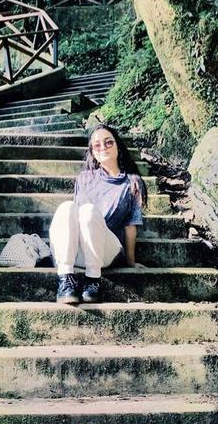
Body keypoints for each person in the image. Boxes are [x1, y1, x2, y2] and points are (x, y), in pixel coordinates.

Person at [48, 123, 147, 304]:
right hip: (79, 251)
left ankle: (93, 281)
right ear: (92, 151)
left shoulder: (132, 182)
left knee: (88, 211)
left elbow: (131, 224)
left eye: (108, 142)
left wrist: (131, 261)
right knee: (67, 207)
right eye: (97, 145)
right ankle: (65, 280)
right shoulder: (84, 178)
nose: (103, 147)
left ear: (118, 146)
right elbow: (74, 221)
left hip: (106, 252)